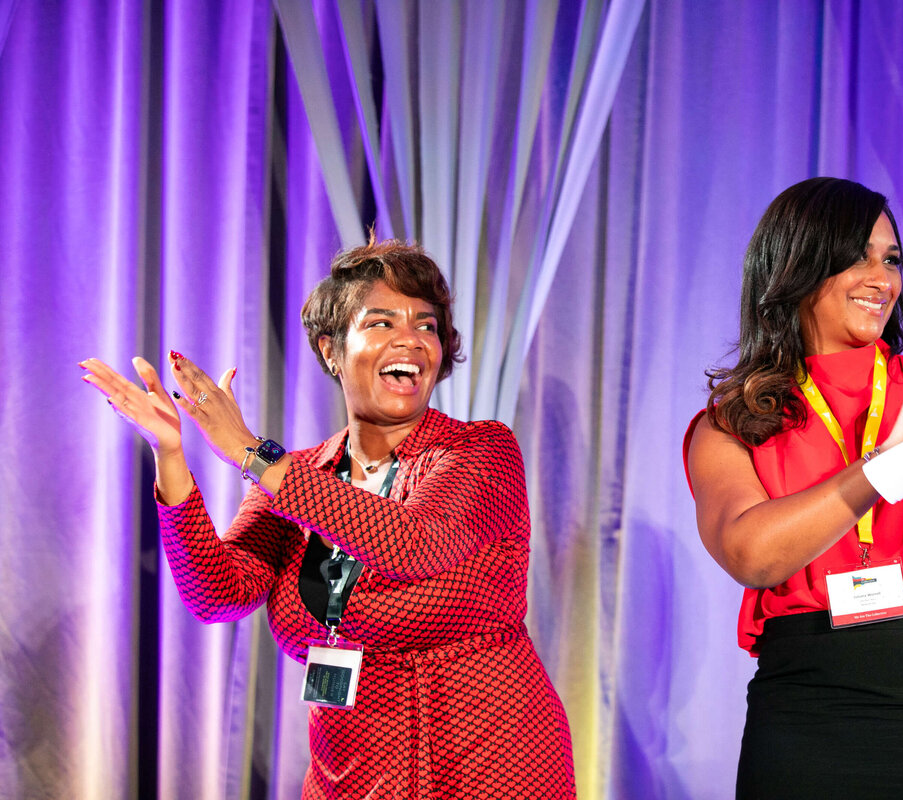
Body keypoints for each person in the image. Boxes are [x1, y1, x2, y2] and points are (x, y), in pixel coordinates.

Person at [81, 238, 576, 798]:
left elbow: (413, 543)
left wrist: (250, 450)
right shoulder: (299, 477)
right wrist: (171, 454)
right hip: (349, 772)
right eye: (382, 322)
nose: (411, 338)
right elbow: (218, 594)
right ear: (331, 350)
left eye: (428, 325)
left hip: (492, 764)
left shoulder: (480, 451)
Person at [684, 177, 903, 798]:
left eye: (892, 259)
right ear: (795, 266)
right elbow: (751, 555)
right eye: (859, 255)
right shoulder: (733, 420)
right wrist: (884, 465)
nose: (883, 279)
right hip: (808, 705)